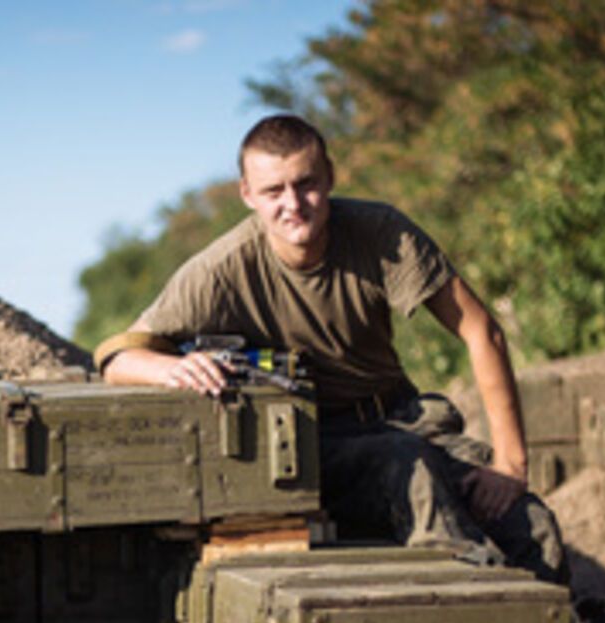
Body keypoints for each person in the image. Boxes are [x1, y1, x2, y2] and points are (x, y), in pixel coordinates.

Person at [95, 114, 567, 584]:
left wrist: (509, 465)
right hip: (312, 445)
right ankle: (470, 604)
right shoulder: (221, 271)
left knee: (533, 526)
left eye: (306, 184)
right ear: (247, 194)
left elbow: (481, 331)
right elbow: (116, 357)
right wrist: (169, 369)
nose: (293, 204)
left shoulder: (380, 233)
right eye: (273, 191)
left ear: (330, 177)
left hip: (405, 420)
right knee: (411, 476)